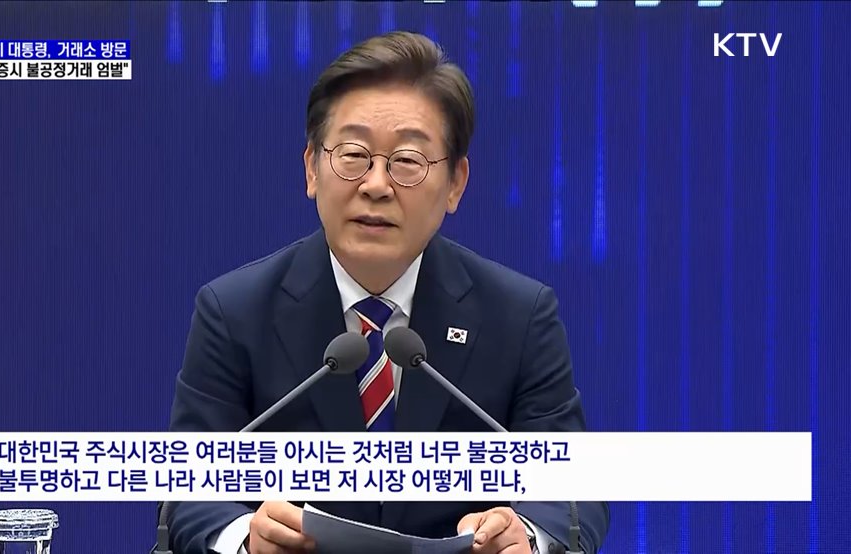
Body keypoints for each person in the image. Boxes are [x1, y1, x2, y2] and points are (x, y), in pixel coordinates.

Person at [168, 31, 609, 554]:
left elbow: (573, 493)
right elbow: (187, 492)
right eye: (353, 154)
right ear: (311, 168)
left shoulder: (519, 315)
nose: (376, 185)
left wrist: (526, 537)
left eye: (407, 161)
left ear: (456, 183)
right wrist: (246, 539)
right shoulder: (234, 311)